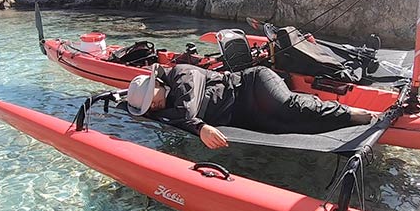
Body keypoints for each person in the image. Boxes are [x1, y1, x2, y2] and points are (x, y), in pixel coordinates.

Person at [127, 64, 377, 149]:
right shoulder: (165, 108)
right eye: (151, 105)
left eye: (152, 96)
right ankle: (340, 121)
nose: (155, 104)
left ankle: (353, 114)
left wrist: (200, 127)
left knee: (289, 107)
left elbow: (186, 112)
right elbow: (178, 115)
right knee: (288, 126)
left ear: (156, 82)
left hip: (253, 84)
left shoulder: (181, 75)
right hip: (245, 113)